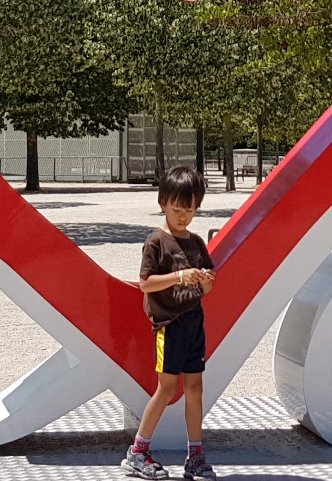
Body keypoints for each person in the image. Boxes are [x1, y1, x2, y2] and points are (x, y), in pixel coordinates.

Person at [123, 166, 216, 479]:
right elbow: (145, 283)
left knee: (195, 388)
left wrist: (204, 280)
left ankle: (196, 455)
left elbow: (209, 286)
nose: (183, 217)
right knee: (166, 389)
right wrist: (179, 275)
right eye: (178, 209)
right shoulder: (156, 242)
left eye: (190, 210)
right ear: (163, 202)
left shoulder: (197, 243)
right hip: (169, 326)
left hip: (194, 324)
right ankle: (137, 451)